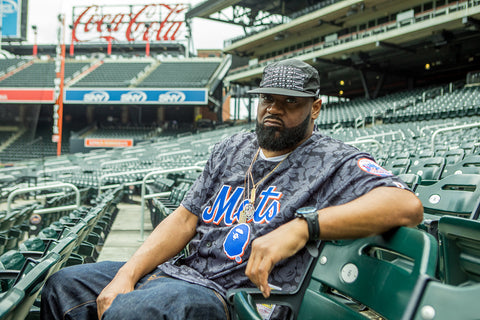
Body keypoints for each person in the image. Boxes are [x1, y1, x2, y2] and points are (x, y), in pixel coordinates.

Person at [40, 59, 423, 320]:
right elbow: (185, 218)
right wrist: (128, 272)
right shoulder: (232, 148)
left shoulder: (334, 159)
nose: (274, 109)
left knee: (134, 311)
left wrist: (302, 227)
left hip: (235, 297)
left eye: (290, 102)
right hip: (182, 273)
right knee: (64, 284)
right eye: (268, 99)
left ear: (316, 108)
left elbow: (406, 205)